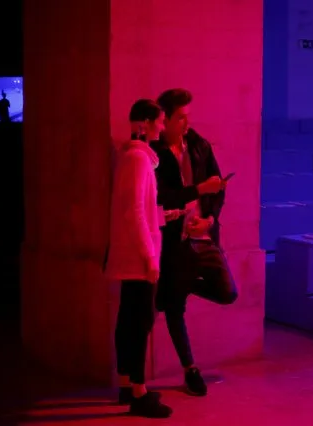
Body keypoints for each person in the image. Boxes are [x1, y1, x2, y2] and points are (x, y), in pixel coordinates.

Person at [151, 88, 238, 397]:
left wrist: (211, 218)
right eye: (181, 118)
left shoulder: (199, 145)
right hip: (176, 242)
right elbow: (161, 198)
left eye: (188, 116)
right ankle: (190, 370)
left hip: (204, 236)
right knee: (174, 310)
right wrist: (200, 189)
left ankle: (183, 285)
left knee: (228, 292)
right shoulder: (155, 154)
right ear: (166, 119)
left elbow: (219, 188)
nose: (187, 123)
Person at [104, 99, 172, 418]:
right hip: (138, 257)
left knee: (130, 318)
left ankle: (127, 384)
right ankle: (138, 392)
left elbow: (137, 208)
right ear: (143, 123)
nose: (162, 126)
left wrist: (163, 215)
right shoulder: (138, 159)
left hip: (135, 254)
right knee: (140, 320)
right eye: (159, 121)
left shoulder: (132, 158)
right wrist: (150, 256)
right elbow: (132, 212)